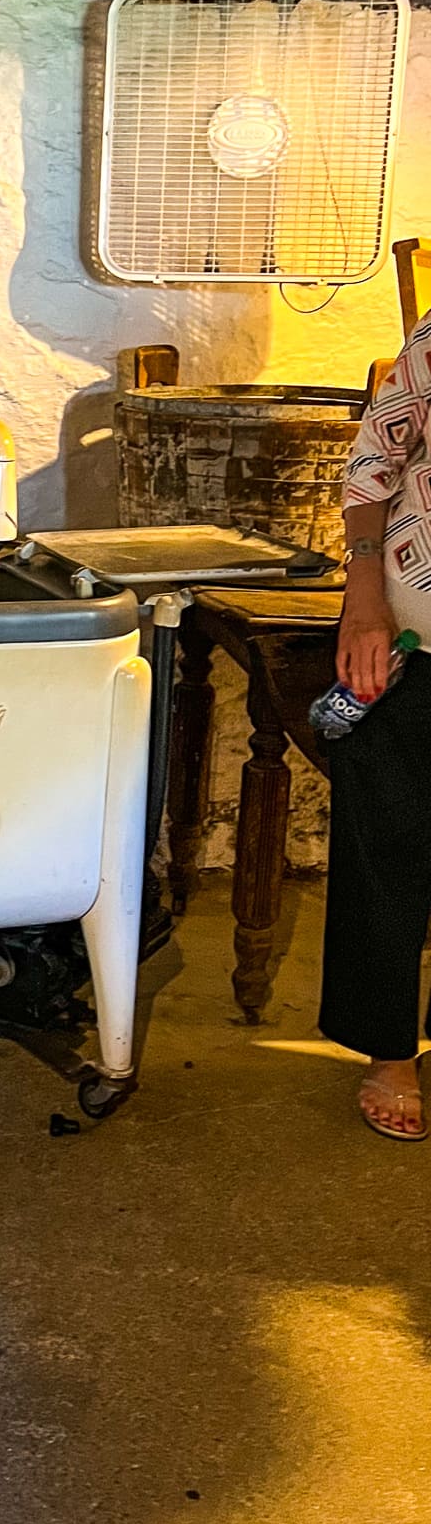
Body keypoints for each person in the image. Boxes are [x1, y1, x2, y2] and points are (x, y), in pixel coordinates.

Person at [320, 325, 431, 1142]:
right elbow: (374, 458)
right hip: (415, 631)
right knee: (387, 843)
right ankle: (390, 1053)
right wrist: (364, 596)